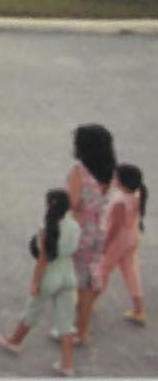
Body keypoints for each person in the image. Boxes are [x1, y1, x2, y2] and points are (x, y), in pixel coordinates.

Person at [0, 189, 79, 375]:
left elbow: (43, 259)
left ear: (49, 205)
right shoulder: (74, 225)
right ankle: (67, 364)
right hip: (68, 273)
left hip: (50, 275)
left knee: (32, 311)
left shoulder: (46, 228)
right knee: (66, 321)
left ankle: (15, 341)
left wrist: (35, 282)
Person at [67, 123, 116, 343]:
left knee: (80, 282)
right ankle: (81, 322)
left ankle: (80, 329)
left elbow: (73, 203)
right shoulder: (110, 171)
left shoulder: (79, 172)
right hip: (98, 230)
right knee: (88, 278)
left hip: (80, 232)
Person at [97, 162, 147, 326]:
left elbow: (114, 227)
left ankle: (90, 301)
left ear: (122, 181)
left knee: (103, 269)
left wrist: (105, 245)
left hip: (119, 239)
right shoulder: (137, 194)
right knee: (131, 271)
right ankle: (139, 310)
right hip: (132, 235)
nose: (114, 179)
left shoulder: (120, 201)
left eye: (116, 177)